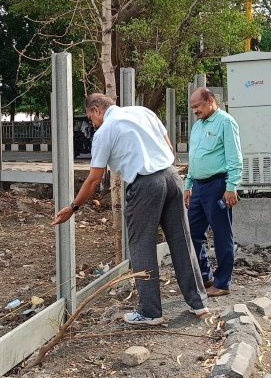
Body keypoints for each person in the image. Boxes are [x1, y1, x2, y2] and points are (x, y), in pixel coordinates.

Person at [52, 93, 208, 325]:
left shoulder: (105, 131)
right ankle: (199, 302)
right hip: (172, 177)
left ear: (96, 109)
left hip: (145, 184)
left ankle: (150, 312)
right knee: (182, 240)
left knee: (141, 245)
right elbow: (169, 147)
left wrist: (73, 207)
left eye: (91, 119)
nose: (93, 124)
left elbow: (94, 179)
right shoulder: (142, 111)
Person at [185, 87, 243, 297]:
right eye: (192, 108)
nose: (195, 111)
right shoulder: (198, 126)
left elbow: (235, 157)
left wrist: (231, 187)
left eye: (197, 106)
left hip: (218, 185)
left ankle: (222, 282)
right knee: (192, 231)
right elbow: (194, 158)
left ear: (209, 100)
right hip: (198, 187)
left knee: (221, 233)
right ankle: (205, 275)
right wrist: (188, 185)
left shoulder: (225, 122)